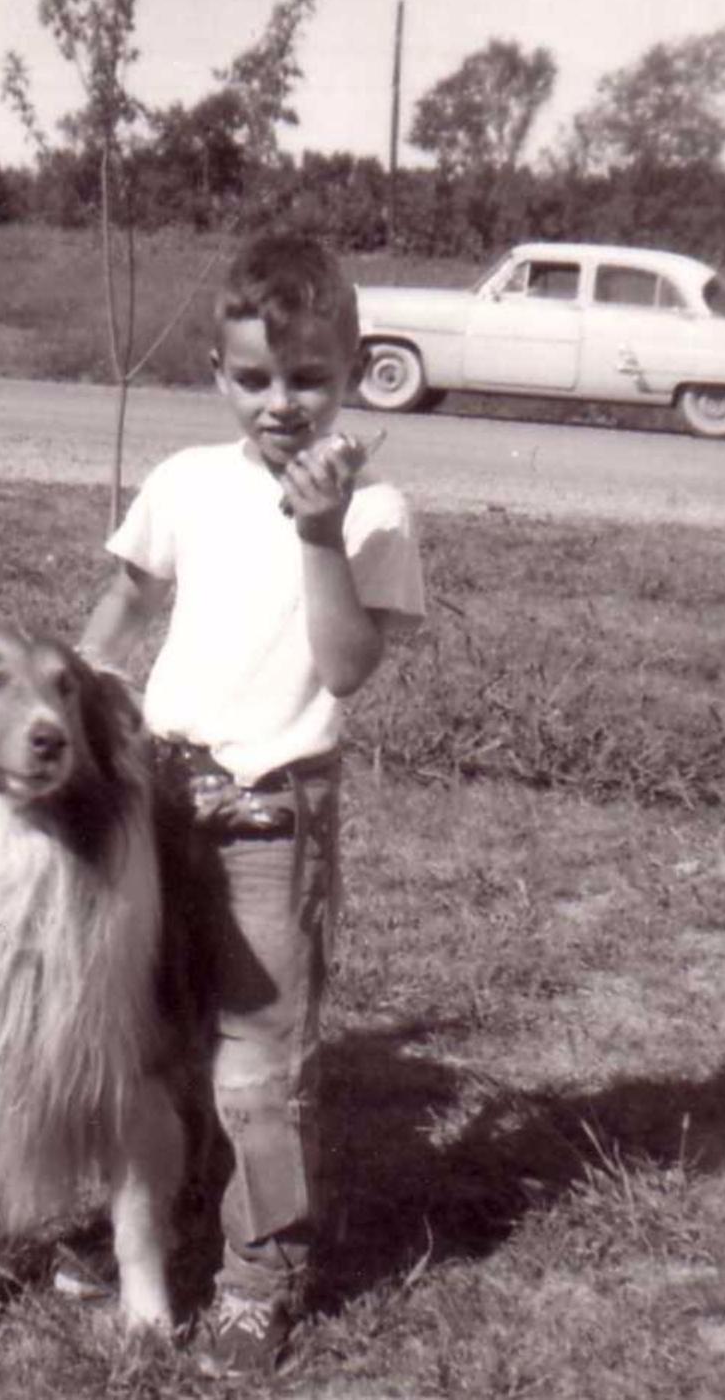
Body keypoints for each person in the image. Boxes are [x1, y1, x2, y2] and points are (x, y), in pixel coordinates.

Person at [78, 230, 426, 1375]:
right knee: (146, 1030)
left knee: (259, 1066)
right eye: (256, 378)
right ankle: (145, 1221)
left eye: (309, 379)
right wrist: (76, 722)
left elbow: (344, 669)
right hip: (161, 799)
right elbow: (123, 610)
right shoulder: (184, 481)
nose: (282, 404)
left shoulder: (375, 515)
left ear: (359, 370)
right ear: (219, 377)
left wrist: (319, 532)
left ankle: (256, 1274)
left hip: (274, 810)